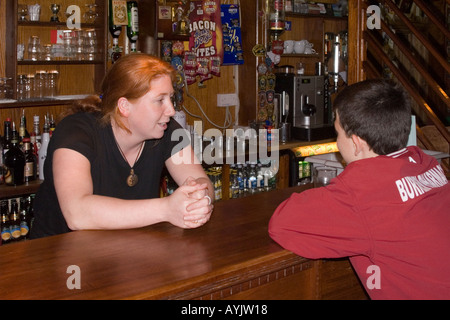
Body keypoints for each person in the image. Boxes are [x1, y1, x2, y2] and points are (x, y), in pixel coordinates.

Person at [269, 79, 450, 299]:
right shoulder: (426, 163)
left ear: (356, 143)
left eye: (337, 133)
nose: (337, 142)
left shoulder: (363, 193)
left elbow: (282, 223)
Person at [30, 54, 214, 239]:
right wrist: (167, 209)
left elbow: (201, 180)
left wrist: (200, 197)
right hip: (57, 255)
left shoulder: (169, 131)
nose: (171, 110)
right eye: (160, 100)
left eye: (170, 98)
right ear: (124, 106)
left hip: (127, 248)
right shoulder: (75, 131)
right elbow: (77, 214)